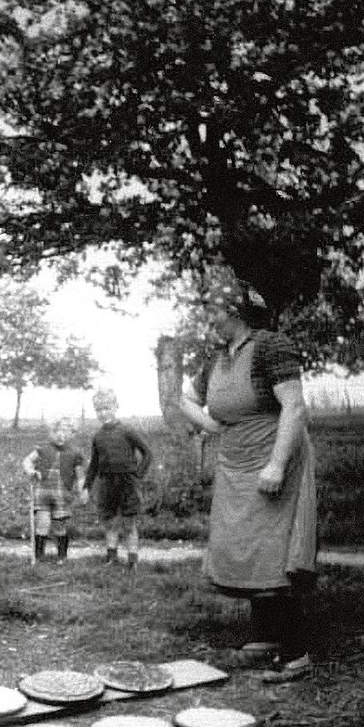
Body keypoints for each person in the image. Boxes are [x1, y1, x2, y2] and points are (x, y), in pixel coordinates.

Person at [177, 277, 316, 683]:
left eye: (214, 315)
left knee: (274, 554)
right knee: (246, 549)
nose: (210, 323)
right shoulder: (218, 358)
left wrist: (275, 465)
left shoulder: (271, 347)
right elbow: (187, 399)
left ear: (234, 313)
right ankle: (268, 636)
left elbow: (294, 408)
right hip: (236, 464)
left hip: (276, 460)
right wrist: (214, 426)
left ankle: (296, 652)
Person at [82, 389, 153, 569]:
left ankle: (132, 560)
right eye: (98, 409)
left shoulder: (127, 430)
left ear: (115, 407)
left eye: (106, 408)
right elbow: (94, 465)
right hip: (107, 483)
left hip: (127, 482)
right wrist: (86, 487)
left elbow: (147, 453)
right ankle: (111, 558)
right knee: (110, 523)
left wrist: (138, 475)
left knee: (129, 523)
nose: (103, 413)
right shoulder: (98, 436)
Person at [21, 418, 85, 563]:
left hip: (62, 495)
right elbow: (27, 461)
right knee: (42, 524)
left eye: (65, 432)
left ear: (72, 434)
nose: (61, 435)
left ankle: (62, 556)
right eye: (57, 431)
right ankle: (38, 555)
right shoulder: (43, 448)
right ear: (51, 432)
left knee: (59, 526)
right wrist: (31, 471)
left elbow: (81, 476)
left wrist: (82, 491)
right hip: (42, 494)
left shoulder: (75, 453)